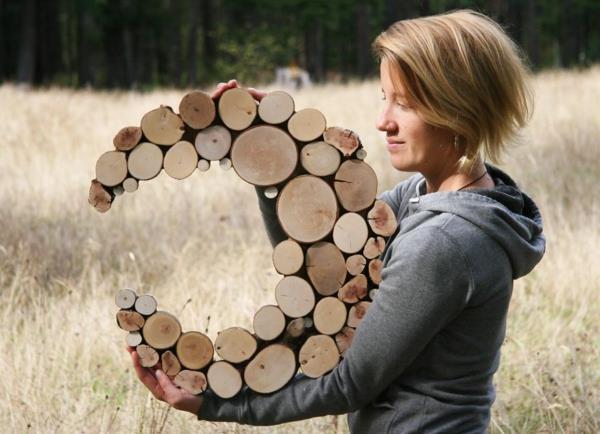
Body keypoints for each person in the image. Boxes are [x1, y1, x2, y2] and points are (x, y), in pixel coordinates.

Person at [127, 9, 545, 433]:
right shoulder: (427, 196)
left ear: (460, 108)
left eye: (406, 103)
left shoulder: (444, 241)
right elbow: (323, 264)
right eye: (385, 97)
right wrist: (268, 153)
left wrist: (214, 403)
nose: (384, 121)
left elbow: (349, 383)